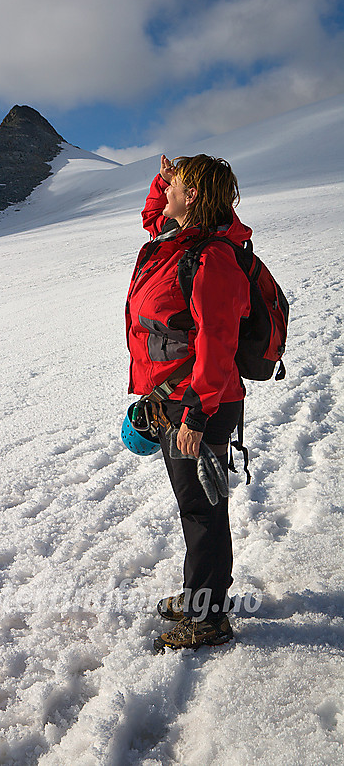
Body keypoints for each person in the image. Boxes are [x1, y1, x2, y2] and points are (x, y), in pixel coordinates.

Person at [125, 153, 251, 650]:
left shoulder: (212, 257)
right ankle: (205, 595)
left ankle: (208, 617)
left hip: (198, 404)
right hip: (174, 399)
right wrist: (164, 178)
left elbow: (217, 343)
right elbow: (153, 216)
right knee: (196, 506)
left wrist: (198, 413)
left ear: (193, 196)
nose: (166, 190)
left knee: (201, 510)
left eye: (175, 184)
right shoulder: (178, 242)